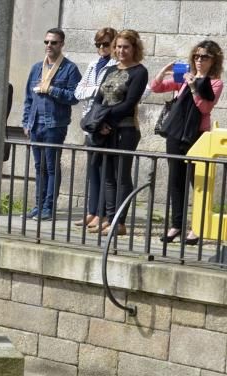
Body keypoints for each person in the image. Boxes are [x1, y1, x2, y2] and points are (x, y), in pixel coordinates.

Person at [151, 40, 224, 244]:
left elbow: (205, 109)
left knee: (197, 182)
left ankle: (198, 227)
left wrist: (193, 86)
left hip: (197, 135)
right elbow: (156, 88)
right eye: (197, 56)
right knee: (176, 179)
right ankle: (176, 225)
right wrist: (165, 70)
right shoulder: (184, 78)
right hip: (176, 133)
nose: (199, 60)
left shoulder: (215, 82)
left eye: (205, 57)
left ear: (213, 60)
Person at [90, 29, 148, 237]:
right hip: (105, 129)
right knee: (107, 176)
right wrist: (100, 122)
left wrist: (107, 120)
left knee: (122, 175)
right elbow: (99, 99)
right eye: (118, 46)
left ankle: (120, 222)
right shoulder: (109, 70)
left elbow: (128, 103)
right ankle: (109, 218)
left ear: (134, 49)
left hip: (125, 129)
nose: (121, 50)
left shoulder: (139, 72)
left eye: (126, 47)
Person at [21, 28, 82, 220]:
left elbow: (74, 97)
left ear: (61, 44)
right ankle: (38, 205)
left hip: (54, 124)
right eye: (46, 42)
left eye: (53, 42)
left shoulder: (70, 68)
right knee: (39, 166)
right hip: (35, 123)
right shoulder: (37, 68)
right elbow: (28, 98)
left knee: (51, 166)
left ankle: (48, 206)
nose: (49, 45)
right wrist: (25, 122)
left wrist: (52, 90)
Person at [74, 28, 117, 230]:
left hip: (103, 123)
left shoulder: (116, 66)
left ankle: (102, 213)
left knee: (103, 170)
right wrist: (96, 90)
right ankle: (91, 212)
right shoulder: (93, 65)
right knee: (92, 170)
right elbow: (78, 91)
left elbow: (112, 95)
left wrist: (95, 92)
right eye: (98, 44)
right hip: (89, 122)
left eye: (106, 44)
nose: (102, 48)